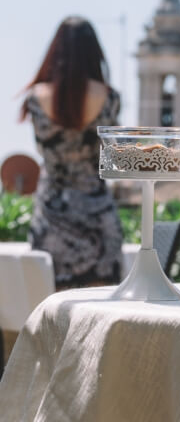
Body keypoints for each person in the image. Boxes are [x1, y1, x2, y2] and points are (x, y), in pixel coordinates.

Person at [20, 16, 123, 288]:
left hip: (51, 214)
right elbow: (112, 154)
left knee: (51, 310)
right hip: (98, 214)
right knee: (101, 315)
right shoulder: (109, 98)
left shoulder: (36, 98)